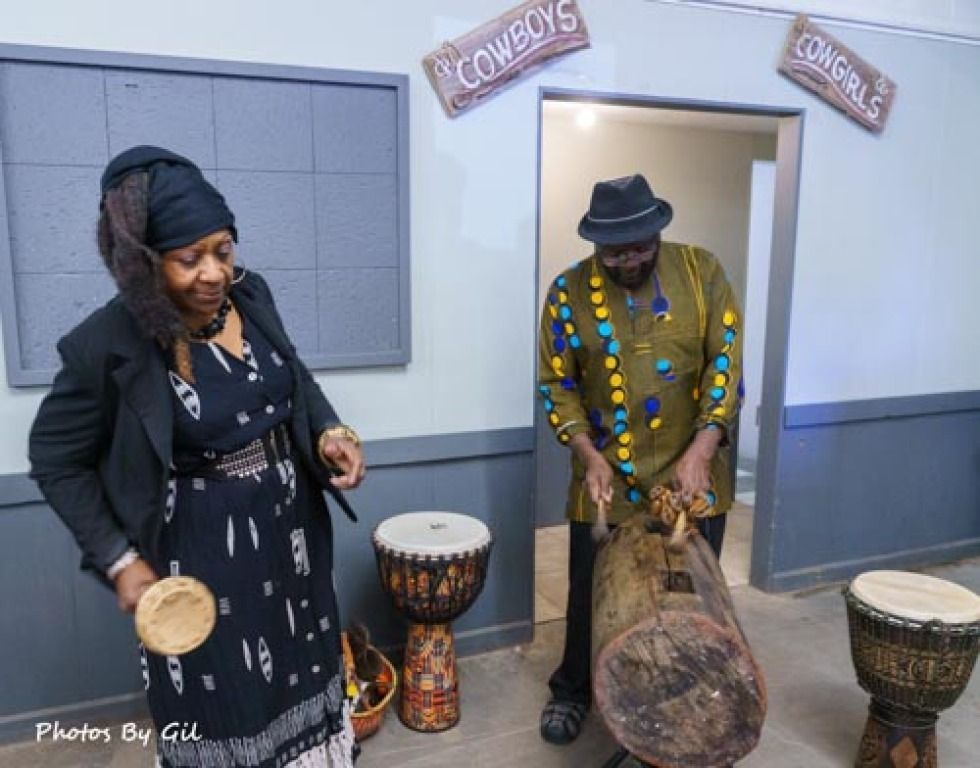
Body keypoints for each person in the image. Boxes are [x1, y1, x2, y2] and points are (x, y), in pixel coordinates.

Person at [29, 146, 365, 768]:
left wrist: (328, 431)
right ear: (144, 265)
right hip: (204, 557)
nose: (214, 273)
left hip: (294, 537)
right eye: (189, 259)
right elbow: (55, 459)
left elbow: (294, 378)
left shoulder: (251, 295)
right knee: (226, 698)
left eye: (223, 250)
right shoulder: (106, 345)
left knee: (305, 664)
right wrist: (119, 558)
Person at [537, 174, 743, 745]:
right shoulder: (565, 293)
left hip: (691, 475)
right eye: (613, 252)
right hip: (603, 476)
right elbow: (556, 385)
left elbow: (724, 371)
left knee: (691, 593)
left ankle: (686, 697)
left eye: (639, 247)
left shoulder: (704, 275)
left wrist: (704, 448)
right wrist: (586, 452)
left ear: (658, 232)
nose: (628, 261)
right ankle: (574, 689)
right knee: (588, 590)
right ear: (594, 245)